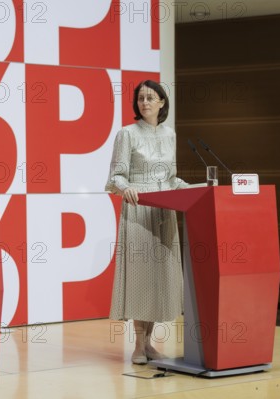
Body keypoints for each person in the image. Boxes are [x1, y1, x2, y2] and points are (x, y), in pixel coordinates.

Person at [105, 80, 188, 365]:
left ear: (162, 102)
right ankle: (138, 346)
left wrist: (193, 188)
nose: (145, 103)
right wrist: (124, 187)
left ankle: (151, 343)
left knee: (159, 279)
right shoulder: (126, 134)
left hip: (165, 212)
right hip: (138, 208)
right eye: (141, 98)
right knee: (141, 279)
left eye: (151, 98)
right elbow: (116, 175)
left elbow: (171, 177)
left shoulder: (170, 134)